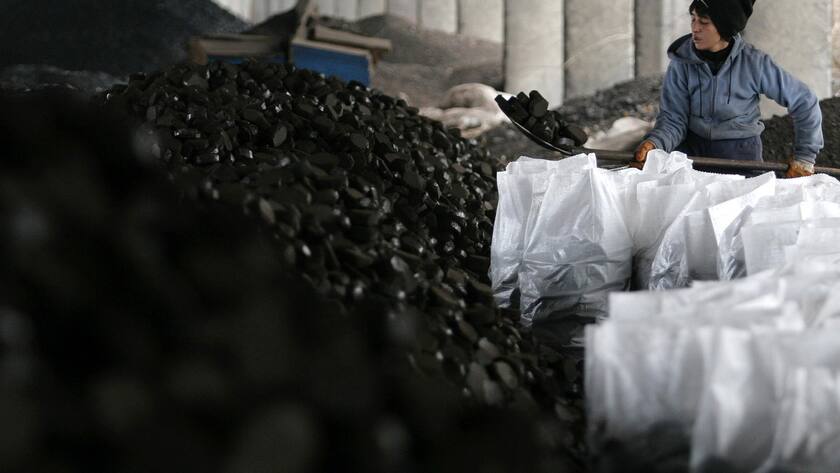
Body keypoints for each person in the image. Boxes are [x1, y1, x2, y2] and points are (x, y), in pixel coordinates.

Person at [634, 0, 823, 178]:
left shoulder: (754, 63)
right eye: (693, 19)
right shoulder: (682, 63)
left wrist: (805, 158)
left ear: (725, 27)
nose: (695, 28)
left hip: (741, 157)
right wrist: (655, 144)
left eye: (704, 22)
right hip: (692, 155)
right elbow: (674, 119)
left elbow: (804, 101)